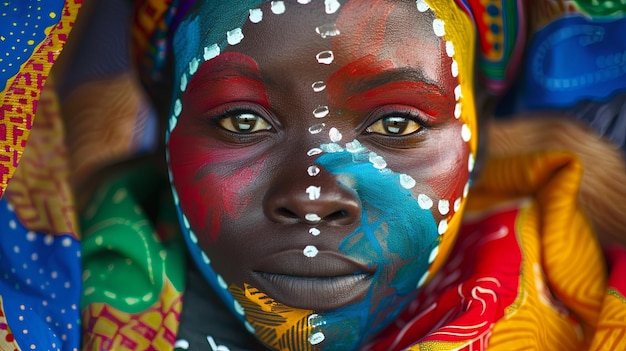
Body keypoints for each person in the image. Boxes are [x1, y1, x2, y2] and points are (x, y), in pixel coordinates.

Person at [0, 0, 625, 350]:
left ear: (479, 139)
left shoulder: (593, 308)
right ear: (165, 127)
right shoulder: (37, 293)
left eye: (398, 125)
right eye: (242, 121)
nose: (311, 196)